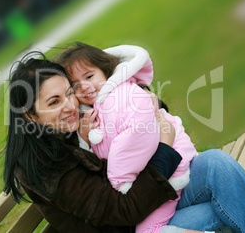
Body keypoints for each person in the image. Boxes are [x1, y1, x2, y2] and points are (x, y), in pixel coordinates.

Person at [3, 53, 245, 232]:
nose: (69, 105)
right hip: (135, 224)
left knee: (217, 165)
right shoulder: (45, 168)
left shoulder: (67, 126)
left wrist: (148, 100)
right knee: (242, 201)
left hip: (151, 202)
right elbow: (121, 210)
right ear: (30, 114)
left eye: (68, 93)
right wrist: (163, 147)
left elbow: (118, 110)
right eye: (54, 101)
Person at [56, 42, 197, 233]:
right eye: (75, 85)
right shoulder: (92, 113)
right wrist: (85, 138)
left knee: (149, 231)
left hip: (167, 173)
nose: (86, 87)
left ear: (105, 72)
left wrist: (120, 182)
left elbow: (131, 140)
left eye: (89, 76)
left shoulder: (118, 99)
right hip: (154, 182)